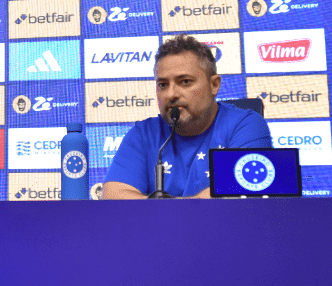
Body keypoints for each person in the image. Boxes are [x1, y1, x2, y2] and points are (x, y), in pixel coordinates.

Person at [103, 35, 272, 199]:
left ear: (214, 85)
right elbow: (113, 196)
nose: (171, 94)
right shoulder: (143, 134)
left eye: (185, 82)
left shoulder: (245, 125)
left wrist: (163, 208)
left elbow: (242, 188)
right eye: (163, 85)